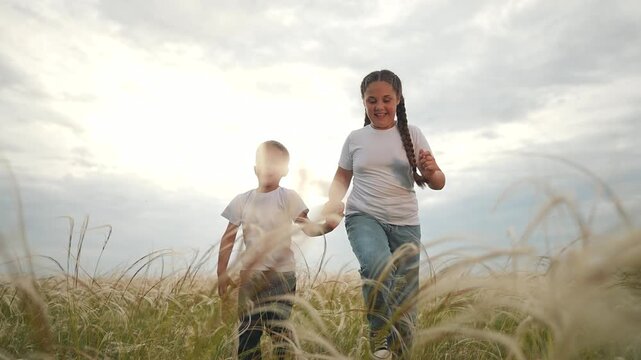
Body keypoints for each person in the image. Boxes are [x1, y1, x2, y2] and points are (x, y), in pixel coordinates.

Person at [322, 69, 445, 359]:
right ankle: (379, 339)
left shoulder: (413, 134)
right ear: (363, 103)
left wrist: (430, 172)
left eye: (387, 99)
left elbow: (438, 182)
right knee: (377, 267)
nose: (379, 106)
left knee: (404, 294)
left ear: (399, 100)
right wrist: (331, 205)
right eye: (372, 100)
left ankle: (400, 352)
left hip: (405, 224)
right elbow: (341, 179)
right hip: (363, 216)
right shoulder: (355, 138)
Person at [217, 140, 341, 360]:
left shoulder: (288, 197)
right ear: (255, 168)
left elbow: (308, 229)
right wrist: (222, 273)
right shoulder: (241, 201)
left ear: (285, 170)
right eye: (264, 162)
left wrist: (328, 226)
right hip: (250, 278)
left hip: (281, 278)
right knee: (248, 336)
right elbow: (228, 238)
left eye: (275, 163)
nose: (268, 167)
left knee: (279, 334)